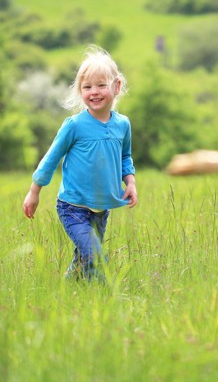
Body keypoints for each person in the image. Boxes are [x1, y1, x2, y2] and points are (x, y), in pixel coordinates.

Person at [23, 46, 138, 281]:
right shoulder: (74, 125)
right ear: (80, 91)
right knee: (96, 255)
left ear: (116, 87)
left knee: (84, 259)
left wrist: (131, 181)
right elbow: (51, 158)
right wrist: (34, 191)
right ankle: (108, 294)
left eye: (101, 85)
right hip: (72, 207)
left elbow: (125, 157)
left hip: (100, 208)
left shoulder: (122, 124)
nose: (94, 92)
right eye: (87, 87)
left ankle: (68, 291)